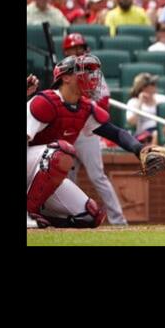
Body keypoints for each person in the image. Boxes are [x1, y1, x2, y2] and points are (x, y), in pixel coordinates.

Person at [27, 55, 165, 228]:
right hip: (32, 165)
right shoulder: (44, 101)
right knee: (60, 152)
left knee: (90, 216)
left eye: (91, 72)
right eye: (83, 71)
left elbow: (115, 133)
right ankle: (28, 212)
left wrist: (140, 149)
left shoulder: (84, 107)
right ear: (66, 77)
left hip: (42, 175)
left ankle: (40, 218)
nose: (90, 77)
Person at [60, 35, 127, 226]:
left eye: (80, 48)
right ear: (66, 52)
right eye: (73, 49)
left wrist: (86, 110)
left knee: (98, 177)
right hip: (68, 132)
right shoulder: (63, 72)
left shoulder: (93, 71)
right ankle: (67, 218)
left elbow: (103, 101)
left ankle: (119, 220)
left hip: (87, 131)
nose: (77, 51)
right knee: (66, 178)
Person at [125, 73, 165, 144]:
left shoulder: (162, 99)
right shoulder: (133, 102)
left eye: (154, 84)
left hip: (162, 130)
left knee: (159, 133)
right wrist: (140, 103)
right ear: (142, 87)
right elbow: (132, 122)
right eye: (152, 84)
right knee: (156, 134)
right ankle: (152, 151)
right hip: (144, 134)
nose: (155, 86)